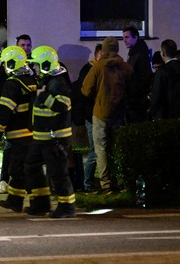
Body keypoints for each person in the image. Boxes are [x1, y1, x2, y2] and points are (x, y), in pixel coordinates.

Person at [25, 46, 76, 218]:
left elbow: (63, 106)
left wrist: (43, 97)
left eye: (38, 65)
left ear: (46, 64)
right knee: (31, 167)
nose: (35, 69)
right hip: (41, 137)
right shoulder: (47, 80)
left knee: (58, 173)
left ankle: (67, 207)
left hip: (55, 138)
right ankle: (41, 204)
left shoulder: (59, 82)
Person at [81, 37, 133, 194]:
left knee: (101, 149)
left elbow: (85, 90)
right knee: (117, 148)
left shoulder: (97, 67)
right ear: (117, 49)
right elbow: (133, 90)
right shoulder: (126, 67)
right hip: (119, 114)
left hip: (101, 113)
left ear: (103, 50)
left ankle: (106, 185)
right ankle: (121, 181)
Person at [0, 46, 38, 212]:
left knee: (20, 170)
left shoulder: (12, 84)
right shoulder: (33, 81)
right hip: (34, 134)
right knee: (20, 169)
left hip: (19, 135)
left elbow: (5, 112)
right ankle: (15, 201)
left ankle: (37, 203)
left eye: (5, 62)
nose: (3, 65)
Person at [0, 34, 33, 189]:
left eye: (28, 45)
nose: (26, 48)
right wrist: (3, 114)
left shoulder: (32, 64)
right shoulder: (9, 65)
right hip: (11, 116)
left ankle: (20, 185)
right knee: (10, 150)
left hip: (27, 120)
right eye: (23, 45)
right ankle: (4, 180)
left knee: (24, 155)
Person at [71, 43, 102, 192]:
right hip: (91, 116)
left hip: (93, 116)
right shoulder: (90, 70)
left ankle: (88, 184)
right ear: (97, 55)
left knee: (93, 151)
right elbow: (85, 94)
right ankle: (87, 185)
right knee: (93, 152)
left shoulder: (93, 69)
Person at [150, 39, 180, 120]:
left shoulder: (162, 71)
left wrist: (152, 112)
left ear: (163, 53)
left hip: (167, 115)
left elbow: (157, 95)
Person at [122, 26, 152, 123]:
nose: (124, 40)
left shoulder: (140, 55)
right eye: (123, 38)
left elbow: (144, 78)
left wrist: (135, 95)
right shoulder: (134, 53)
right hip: (134, 101)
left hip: (137, 102)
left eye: (127, 37)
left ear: (136, 37)